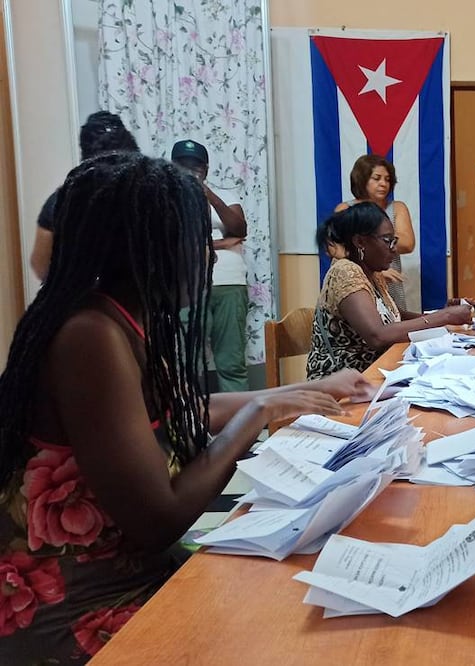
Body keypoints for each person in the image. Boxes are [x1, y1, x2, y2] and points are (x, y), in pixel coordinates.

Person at [0, 153, 372, 663]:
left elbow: (179, 410)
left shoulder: (122, 316)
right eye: (195, 242)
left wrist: (303, 390)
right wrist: (257, 413)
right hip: (77, 607)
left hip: (129, 572)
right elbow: (161, 519)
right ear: (143, 249)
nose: (211, 257)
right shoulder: (90, 334)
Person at [307, 202, 473, 379]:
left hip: (372, 375)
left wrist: (444, 314)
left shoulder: (372, 272)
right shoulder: (345, 271)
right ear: (360, 241)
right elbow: (377, 335)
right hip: (339, 388)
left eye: (395, 241)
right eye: (387, 241)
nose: (394, 250)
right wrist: (445, 317)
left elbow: (395, 316)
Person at [172, 139, 250, 392]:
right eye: (182, 166)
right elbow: (174, 241)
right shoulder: (167, 199)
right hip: (189, 287)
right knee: (187, 361)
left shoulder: (225, 195)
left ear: (205, 169)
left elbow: (239, 228)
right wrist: (221, 243)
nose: (190, 171)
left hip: (229, 284)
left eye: (195, 167)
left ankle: (240, 426)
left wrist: (208, 195)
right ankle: (187, 425)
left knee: (231, 361)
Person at [30, 111, 140, 280]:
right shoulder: (145, 194)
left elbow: (40, 266)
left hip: (82, 298)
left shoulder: (62, 200)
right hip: (128, 299)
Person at [336, 154, 416, 313]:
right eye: (377, 178)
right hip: (355, 281)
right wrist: (373, 269)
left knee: (395, 323)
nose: (383, 184)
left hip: (390, 283)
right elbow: (335, 248)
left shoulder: (397, 208)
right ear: (362, 179)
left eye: (387, 179)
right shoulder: (345, 210)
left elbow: (407, 243)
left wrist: (369, 241)